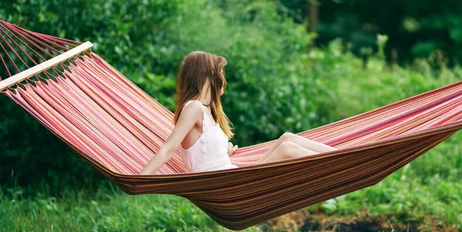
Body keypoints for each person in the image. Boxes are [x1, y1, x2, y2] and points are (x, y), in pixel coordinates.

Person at [140, 51, 336, 175]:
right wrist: (141, 179)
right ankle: (340, 168)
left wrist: (224, 152)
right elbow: (168, 149)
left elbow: (200, 150)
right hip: (222, 184)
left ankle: (345, 158)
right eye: (220, 73)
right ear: (206, 76)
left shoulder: (208, 110)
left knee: (287, 138)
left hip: (232, 176)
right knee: (286, 149)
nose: (223, 77)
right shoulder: (194, 108)